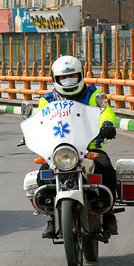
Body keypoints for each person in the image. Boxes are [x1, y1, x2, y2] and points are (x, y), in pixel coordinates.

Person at [38, 55, 118, 238]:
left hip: (91, 149)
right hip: (59, 151)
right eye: (63, 78)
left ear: (81, 75)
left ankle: (109, 214)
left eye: (72, 77)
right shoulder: (47, 100)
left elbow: (106, 111)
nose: (68, 81)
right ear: (55, 79)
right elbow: (39, 119)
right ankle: (51, 218)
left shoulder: (94, 95)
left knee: (106, 169)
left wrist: (107, 125)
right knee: (43, 174)